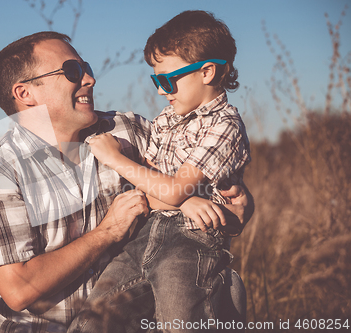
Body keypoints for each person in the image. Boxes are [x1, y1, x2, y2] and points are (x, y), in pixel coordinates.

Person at [0, 30, 253, 333]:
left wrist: (232, 204)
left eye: (87, 68)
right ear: (25, 94)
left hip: (126, 322)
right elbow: (19, 289)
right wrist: (108, 232)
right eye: (73, 71)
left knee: (217, 290)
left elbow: (183, 179)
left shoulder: (128, 130)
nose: (89, 80)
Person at [70, 10, 250, 332]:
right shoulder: (167, 118)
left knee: (180, 324)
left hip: (191, 240)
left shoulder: (225, 125)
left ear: (206, 72)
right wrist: (179, 196)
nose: (160, 91)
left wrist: (116, 159)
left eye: (167, 79)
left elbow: (171, 189)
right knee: (89, 322)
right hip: (145, 234)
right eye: (156, 80)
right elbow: (151, 187)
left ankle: (226, 298)